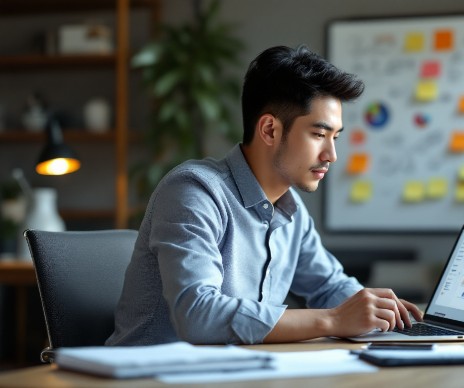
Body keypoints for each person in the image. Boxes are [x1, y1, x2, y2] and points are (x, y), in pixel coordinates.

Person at [107, 45, 423, 346]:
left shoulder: (291, 211)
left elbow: (330, 286)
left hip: (238, 371)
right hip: (147, 376)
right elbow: (198, 314)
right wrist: (332, 320)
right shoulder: (193, 192)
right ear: (270, 130)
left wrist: (382, 313)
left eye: (335, 137)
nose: (331, 155)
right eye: (318, 134)